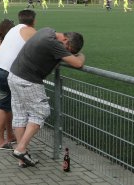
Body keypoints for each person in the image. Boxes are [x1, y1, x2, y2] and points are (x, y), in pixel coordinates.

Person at [9, 28, 85, 167]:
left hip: (14, 75)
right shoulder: (54, 44)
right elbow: (78, 63)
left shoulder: (47, 31)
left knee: (20, 115)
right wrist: (80, 56)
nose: (67, 53)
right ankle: (20, 149)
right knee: (41, 112)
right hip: (28, 80)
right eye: (69, 50)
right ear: (65, 40)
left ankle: (22, 156)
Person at [0, 10, 36, 150]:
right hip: (6, 72)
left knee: (8, 105)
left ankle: (10, 136)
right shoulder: (29, 31)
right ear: (33, 21)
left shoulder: (13, 30)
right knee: (4, 107)